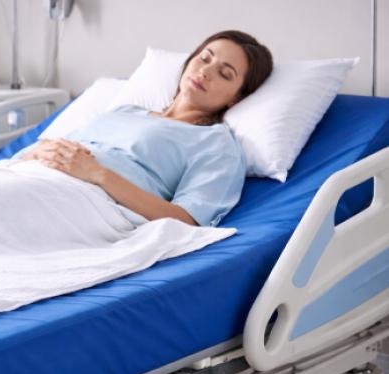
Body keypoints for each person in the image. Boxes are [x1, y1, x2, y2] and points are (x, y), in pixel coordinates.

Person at [16, 30, 273, 227]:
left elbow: (187, 220)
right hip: (29, 175)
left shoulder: (215, 143)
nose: (205, 71)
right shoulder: (125, 111)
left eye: (225, 74)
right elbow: (32, 155)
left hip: (82, 201)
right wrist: (40, 151)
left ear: (236, 98)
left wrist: (97, 173)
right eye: (204, 58)